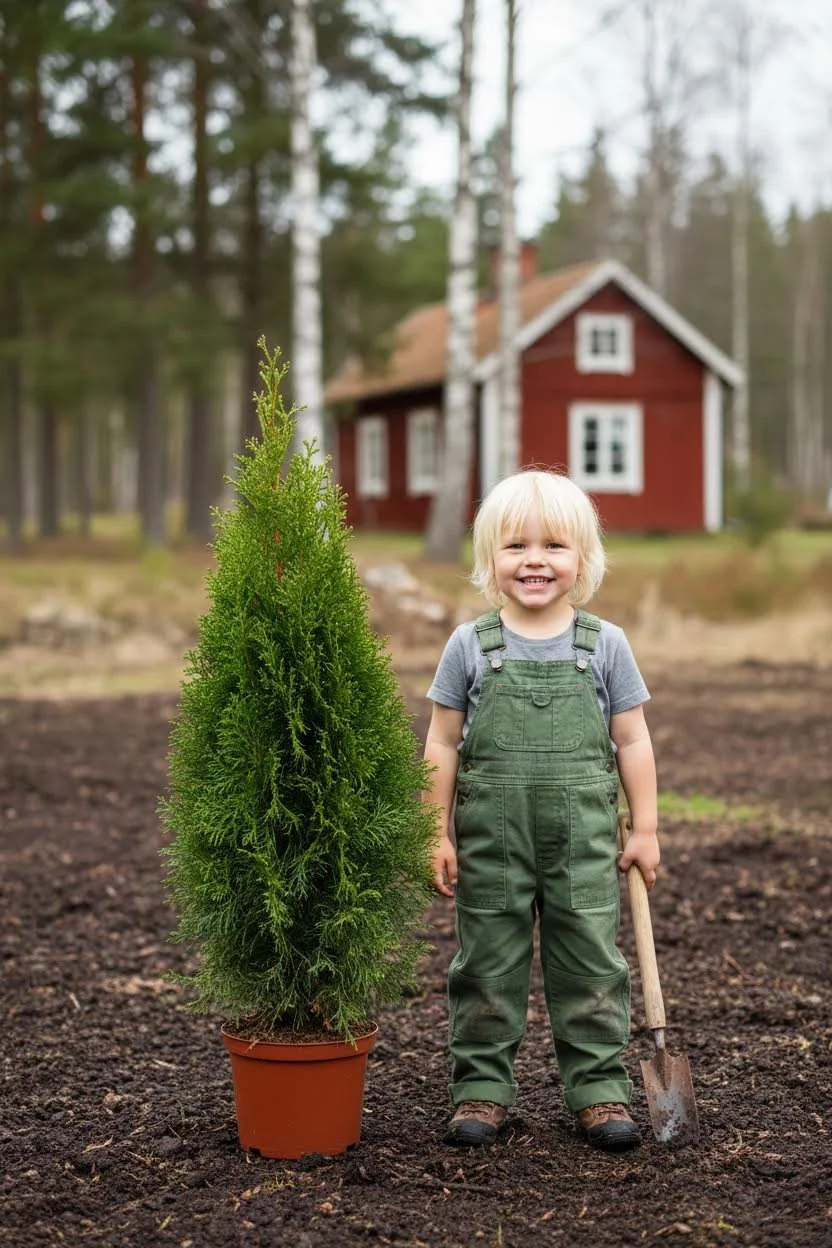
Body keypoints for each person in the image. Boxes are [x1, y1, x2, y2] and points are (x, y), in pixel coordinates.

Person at [423, 469, 659, 1153]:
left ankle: (598, 1089)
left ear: (584, 559)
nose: (534, 560)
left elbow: (633, 739)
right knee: (486, 963)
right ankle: (482, 1089)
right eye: (514, 546)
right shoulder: (472, 645)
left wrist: (644, 829)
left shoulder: (603, 643)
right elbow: (440, 742)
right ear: (488, 560)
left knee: (590, 961)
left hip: (581, 841)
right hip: (492, 839)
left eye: (554, 545)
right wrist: (432, 829)